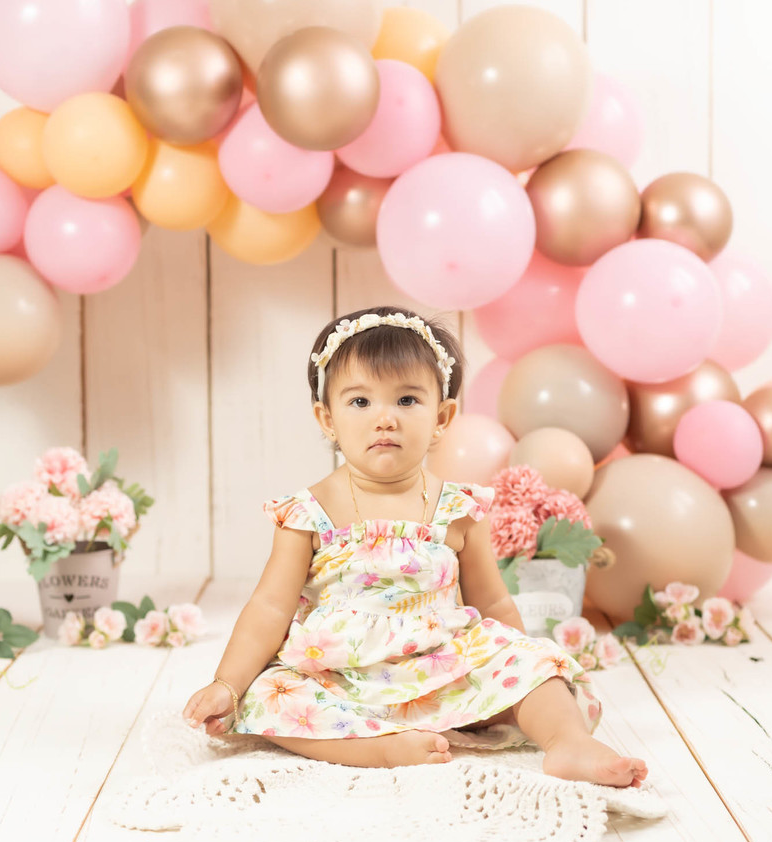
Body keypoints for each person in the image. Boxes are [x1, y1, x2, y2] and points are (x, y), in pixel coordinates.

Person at [183, 306, 647, 787]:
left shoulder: (459, 508)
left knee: (540, 669)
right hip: (341, 677)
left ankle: (568, 743)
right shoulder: (307, 512)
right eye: (360, 402)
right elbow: (269, 606)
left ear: (442, 417)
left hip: (441, 668)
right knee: (269, 696)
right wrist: (227, 684)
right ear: (327, 419)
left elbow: (492, 602)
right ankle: (378, 747)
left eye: (407, 400)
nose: (385, 419)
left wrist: (515, 666)